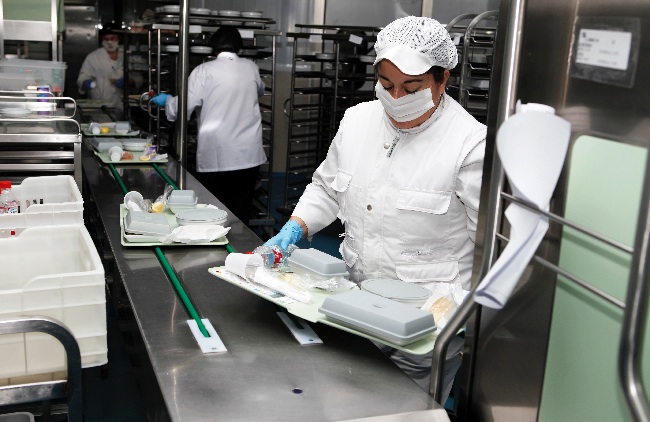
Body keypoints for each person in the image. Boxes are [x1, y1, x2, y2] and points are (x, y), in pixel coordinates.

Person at [265, 16, 486, 402]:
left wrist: (467, 314)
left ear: (443, 79)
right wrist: (296, 226)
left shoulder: (469, 144)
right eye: (386, 85)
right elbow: (327, 188)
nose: (397, 98)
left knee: (405, 409)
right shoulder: (357, 121)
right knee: (346, 400)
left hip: (425, 322)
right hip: (356, 303)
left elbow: (489, 245)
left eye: (412, 87)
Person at [151, 27, 266, 224]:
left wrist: (168, 101)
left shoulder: (204, 71)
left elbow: (182, 107)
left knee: (213, 210)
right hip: (249, 155)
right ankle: (242, 241)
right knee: (241, 208)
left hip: (218, 155)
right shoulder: (251, 67)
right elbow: (259, 90)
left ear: (213, 47)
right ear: (239, 47)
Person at [77, 23, 125, 118]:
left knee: (122, 125)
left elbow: (138, 79)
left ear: (119, 38)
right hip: (99, 107)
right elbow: (82, 78)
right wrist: (85, 83)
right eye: (106, 39)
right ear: (102, 40)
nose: (109, 42)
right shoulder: (93, 57)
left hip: (122, 106)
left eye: (113, 38)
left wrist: (128, 82)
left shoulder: (126, 54)